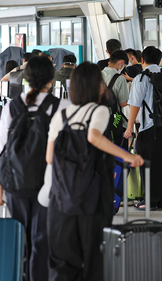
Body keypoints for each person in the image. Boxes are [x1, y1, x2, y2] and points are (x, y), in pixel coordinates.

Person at [46, 62, 143, 280]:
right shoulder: (98, 110)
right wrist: (129, 157)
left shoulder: (61, 115)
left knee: (64, 259)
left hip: (62, 196)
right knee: (93, 255)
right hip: (94, 195)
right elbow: (93, 137)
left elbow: (49, 157)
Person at [0, 56, 70, 281]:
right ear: (50, 79)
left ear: (26, 79)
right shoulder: (62, 107)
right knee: (42, 240)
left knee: (20, 237)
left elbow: (3, 152)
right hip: (49, 184)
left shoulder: (11, 108)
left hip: (16, 182)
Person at [123, 46, 162, 211]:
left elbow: (134, 105)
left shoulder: (141, 78)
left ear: (142, 60)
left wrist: (129, 129)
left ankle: (150, 201)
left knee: (150, 165)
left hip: (151, 128)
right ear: (159, 59)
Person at [101, 50, 130, 145]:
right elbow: (123, 103)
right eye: (124, 65)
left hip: (98, 118)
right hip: (113, 120)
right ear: (121, 62)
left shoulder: (96, 75)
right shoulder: (120, 78)